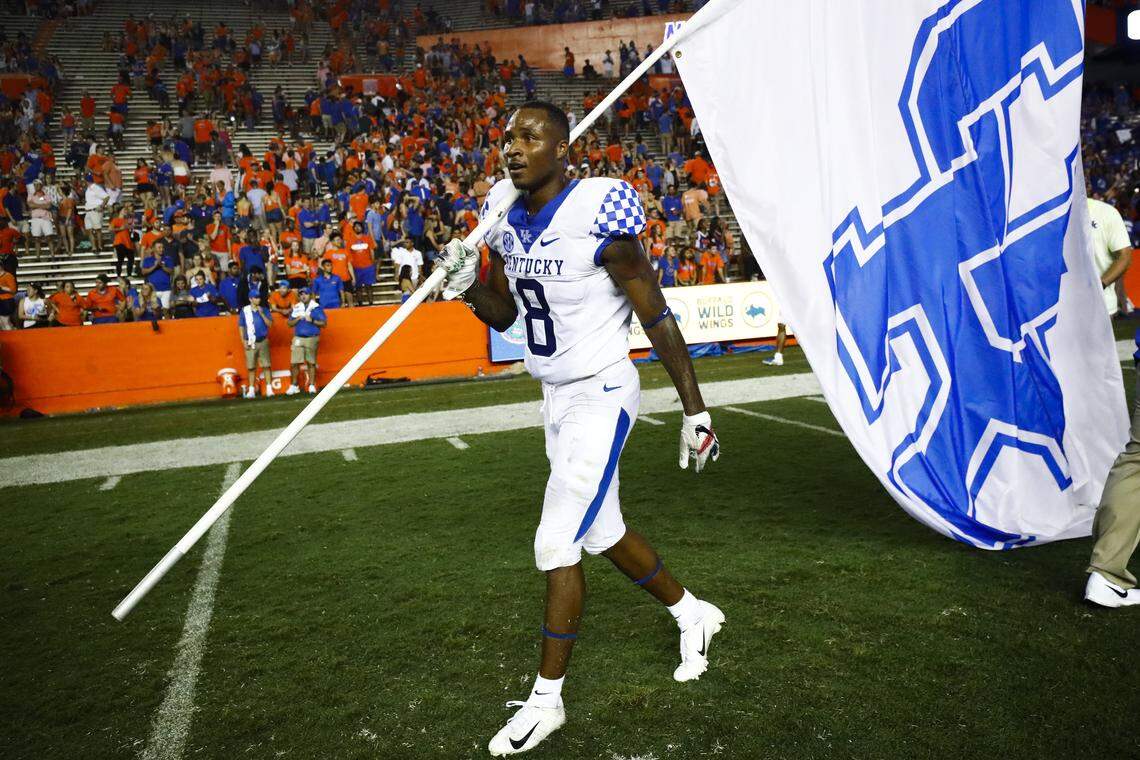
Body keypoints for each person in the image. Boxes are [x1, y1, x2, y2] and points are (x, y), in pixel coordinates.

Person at [434, 101, 723, 756]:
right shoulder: (505, 219)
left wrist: (694, 408)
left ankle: (546, 702)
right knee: (603, 532)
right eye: (506, 136)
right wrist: (466, 287)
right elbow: (508, 315)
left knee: (556, 538)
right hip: (555, 397)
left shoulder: (601, 219)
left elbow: (656, 317)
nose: (513, 146)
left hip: (602, 391)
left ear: (563, 147)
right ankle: (692, 613)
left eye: (530, 136)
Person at [1087, 196, 1134, 317]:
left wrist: (1100, 285)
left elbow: (1125, 256)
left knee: (1119, 283)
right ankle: (1125, 308)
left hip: (1101, 305)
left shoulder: (1105, 212)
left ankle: (1125, 309)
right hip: (1060, 304)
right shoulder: (1051, 214)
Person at [287, 287, 325, 394]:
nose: (303, 296)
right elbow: (289, 324)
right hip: (298, 337)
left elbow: (324, 324)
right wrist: (297, 319)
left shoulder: (316, 308)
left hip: (311, 337)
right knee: (294, 362)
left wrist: (312, 320)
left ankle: (312, 384)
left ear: (310, 295)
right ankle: (294, 385)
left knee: (311, 362)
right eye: (301, 294)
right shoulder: (296, 308)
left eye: (306, 294)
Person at [238, 286, 274, 398]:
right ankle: (252, 389)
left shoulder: (264, 310)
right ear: (250, 299)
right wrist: (243, 340)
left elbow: (270, 324)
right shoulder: (245, 311)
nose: (258, 299)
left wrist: (262, 313)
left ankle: (269, 388)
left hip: (262, 340)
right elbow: (241, 326)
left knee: (266, 365)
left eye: (259, 297)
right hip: (250, 341)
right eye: (256, 298)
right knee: (251, 367)